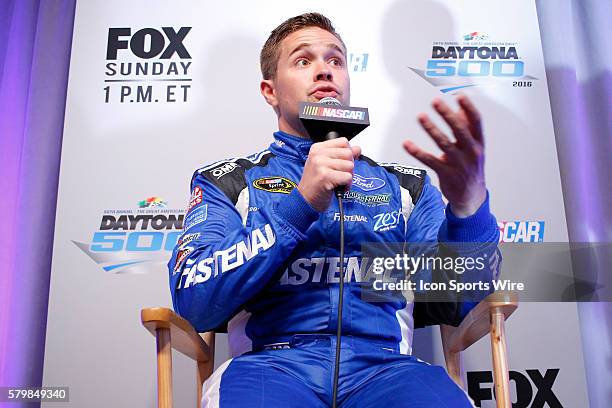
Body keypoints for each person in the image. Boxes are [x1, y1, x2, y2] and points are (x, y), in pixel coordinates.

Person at [169, 12, 500, 408]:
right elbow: (195, 300)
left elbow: (455, 299)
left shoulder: (406, 186)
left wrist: (468, 209)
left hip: (386, 369)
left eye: (335, 60)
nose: (324, 71)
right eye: (303, 60)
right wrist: (300, 204)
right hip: (270, 369)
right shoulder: (226, 181)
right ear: (270, 91)